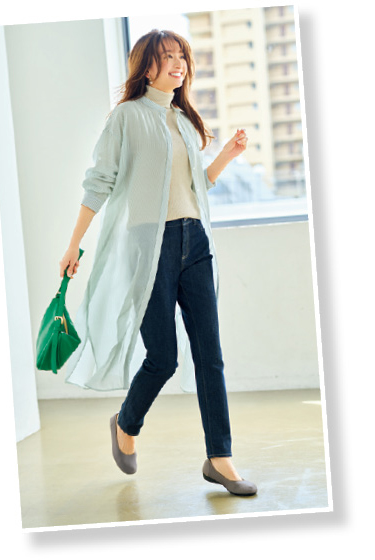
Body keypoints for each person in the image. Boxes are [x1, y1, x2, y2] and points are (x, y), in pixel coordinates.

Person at [59, 29, 257, 496]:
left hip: (195, 242)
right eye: (167, 56)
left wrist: (226, 156)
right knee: (163, 357)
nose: (178, 63)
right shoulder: (127, 117)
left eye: (181, 56)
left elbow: (194, 186)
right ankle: (126, 424)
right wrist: (74, 245)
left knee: (210, 355)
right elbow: (99, 182)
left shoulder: (183, 120)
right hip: (151, 246)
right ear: (146, 66)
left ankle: (220, 457)